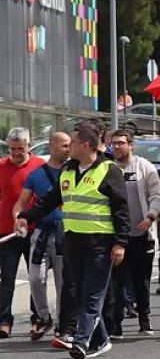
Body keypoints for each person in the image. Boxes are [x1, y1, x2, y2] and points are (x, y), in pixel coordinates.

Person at [16, 123, 130, 359]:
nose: (69, 148)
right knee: (79, 293)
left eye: (73, 143)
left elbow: (121, 210)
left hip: (100, 243)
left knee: (92, 296)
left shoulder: (109, 170)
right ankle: (101, 340)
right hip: (73, 243)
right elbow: (48, 200)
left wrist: (121, 243)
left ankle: (81, 341)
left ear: (86, 145)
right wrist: (27, 217)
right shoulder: (68, 170)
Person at [11, 132, 71, 342]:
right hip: (41, 233)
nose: (68, 149)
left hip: (66, 234)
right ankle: (44, 317)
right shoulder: (36, 175)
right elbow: (21, 203)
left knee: (64, 282)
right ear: (52, 146)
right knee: (36, 278)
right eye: (64, 145)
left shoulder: (73, 172)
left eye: (69, 145)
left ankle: (64, 324)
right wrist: (18, 218)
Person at [103, 130, 160, 338]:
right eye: (113, 144)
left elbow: (157, 196)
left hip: (141, 235)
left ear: (131, 145)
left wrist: (151, 216)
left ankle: (144, 318)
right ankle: (115, 323)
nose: (117, 147)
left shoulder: (144, 167)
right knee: (116, 283)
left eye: (121, 143)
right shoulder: (107, 168)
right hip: (116, 235)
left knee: (141, 281)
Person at [0, 127, 47, 338]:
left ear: (29, 145)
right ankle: (4, 321)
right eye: (12, 148)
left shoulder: (40, 167)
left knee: (36, 277)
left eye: (20, 148)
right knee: (7, 277)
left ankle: (38, 318)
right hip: (6, 232)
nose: (16, 153)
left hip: (34, 230)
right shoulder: (1, 166)